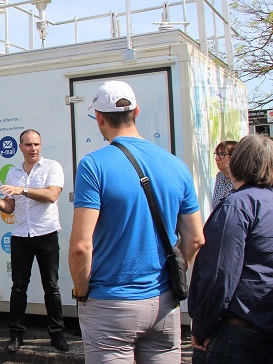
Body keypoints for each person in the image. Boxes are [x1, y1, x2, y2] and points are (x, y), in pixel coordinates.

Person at [69, 80, 204, 363]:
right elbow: (195, 238)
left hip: (110, 303)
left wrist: (81, 293)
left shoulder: (93, 165)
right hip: (164, 302)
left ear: (99, 118)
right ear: (137, 112)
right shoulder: (176, 165)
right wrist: (173, 273)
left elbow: (81, 246)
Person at [0, 129, 69, 353]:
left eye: (37, 144)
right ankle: (16, 336)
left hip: (46, 234)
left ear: (41, 145)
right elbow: (11, 207)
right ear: (20, 148)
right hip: (20, 237)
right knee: (18, 288)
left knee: (52, 287)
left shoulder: (52, 167)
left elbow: (51, 195)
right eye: (28, 145)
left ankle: (57, 335)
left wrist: (23, 189)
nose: (33, 149)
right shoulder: (13, 173)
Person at [189, 134, 273, 363]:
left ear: (237, 162)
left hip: (237, 332)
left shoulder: (238, 205)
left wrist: (202, 327)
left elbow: (220, 272)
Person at [211, 140, 238, 209]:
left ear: (233, 157)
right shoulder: (220, 176)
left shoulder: (239, 178)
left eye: (222, 154)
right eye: (216, 154)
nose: (217, 158)